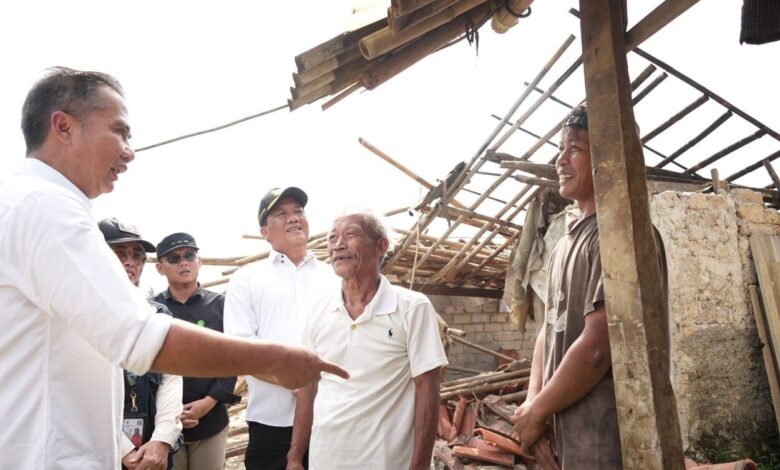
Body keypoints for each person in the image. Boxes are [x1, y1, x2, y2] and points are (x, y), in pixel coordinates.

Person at [0, 67, 347, 469]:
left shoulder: (30, 203)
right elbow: (140, 338)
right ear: (63, 127)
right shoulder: (45, 208)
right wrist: (273, 359)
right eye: (120, 131)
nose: (129, 151)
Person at [511, 105, 669, 470]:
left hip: (609, 443)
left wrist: (539, 410)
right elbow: (548, 332)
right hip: (567, 442)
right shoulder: (564, 243)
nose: (560, 160)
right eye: (560, 149)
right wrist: (535, 407)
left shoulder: (619, 234)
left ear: (609, 157)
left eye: (574, 149)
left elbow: (599, 345)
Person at [287, 208, 449, 470]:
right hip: (326, 458)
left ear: (380, 247)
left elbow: (428, 390)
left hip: (389, 461)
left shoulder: (411, 307)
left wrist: (419, 466)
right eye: (332, 238)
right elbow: (308, 387)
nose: (338, 244)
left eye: (350, 234)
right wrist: (294, 457)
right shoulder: (319, 310)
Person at [224, 187, 339, 470]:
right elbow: (240, 350)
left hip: (331, 416)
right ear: (265, 232)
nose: (294, 218)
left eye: (299, 211)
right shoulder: (246, 279)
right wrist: (292, 380)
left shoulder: (334, 277)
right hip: (272, 423)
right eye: (282, 213)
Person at [98, 218, 184, 470]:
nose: (130, 261)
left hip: (153, 447)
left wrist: (162, 439)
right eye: (119, 253)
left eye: (137, 255)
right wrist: (123, 449)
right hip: (102, 448)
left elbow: (172, 377)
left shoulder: (158, 315)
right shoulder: (80, 314)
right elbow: (79, 392)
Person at [152, 232, 240, 470]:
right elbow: (146, 368)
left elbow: (233, 361)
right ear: (160, 267)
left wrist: (208, 402)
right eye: (174, 258)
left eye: (190, 255)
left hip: (211, 421)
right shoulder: (152, 311)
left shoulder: (221, 306)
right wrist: (171, 414)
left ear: (199, 262)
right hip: (164, 425)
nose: (184, 262)